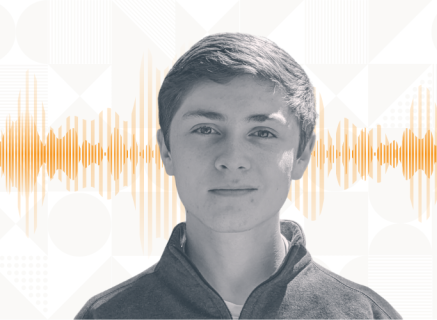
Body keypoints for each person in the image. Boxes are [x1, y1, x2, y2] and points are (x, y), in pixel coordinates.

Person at [75, 32, 403, 319]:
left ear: (302, 155)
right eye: (205, 129)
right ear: (166, 151)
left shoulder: (365, 315)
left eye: (262, 132)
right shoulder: (105, 316)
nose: (232, 159)